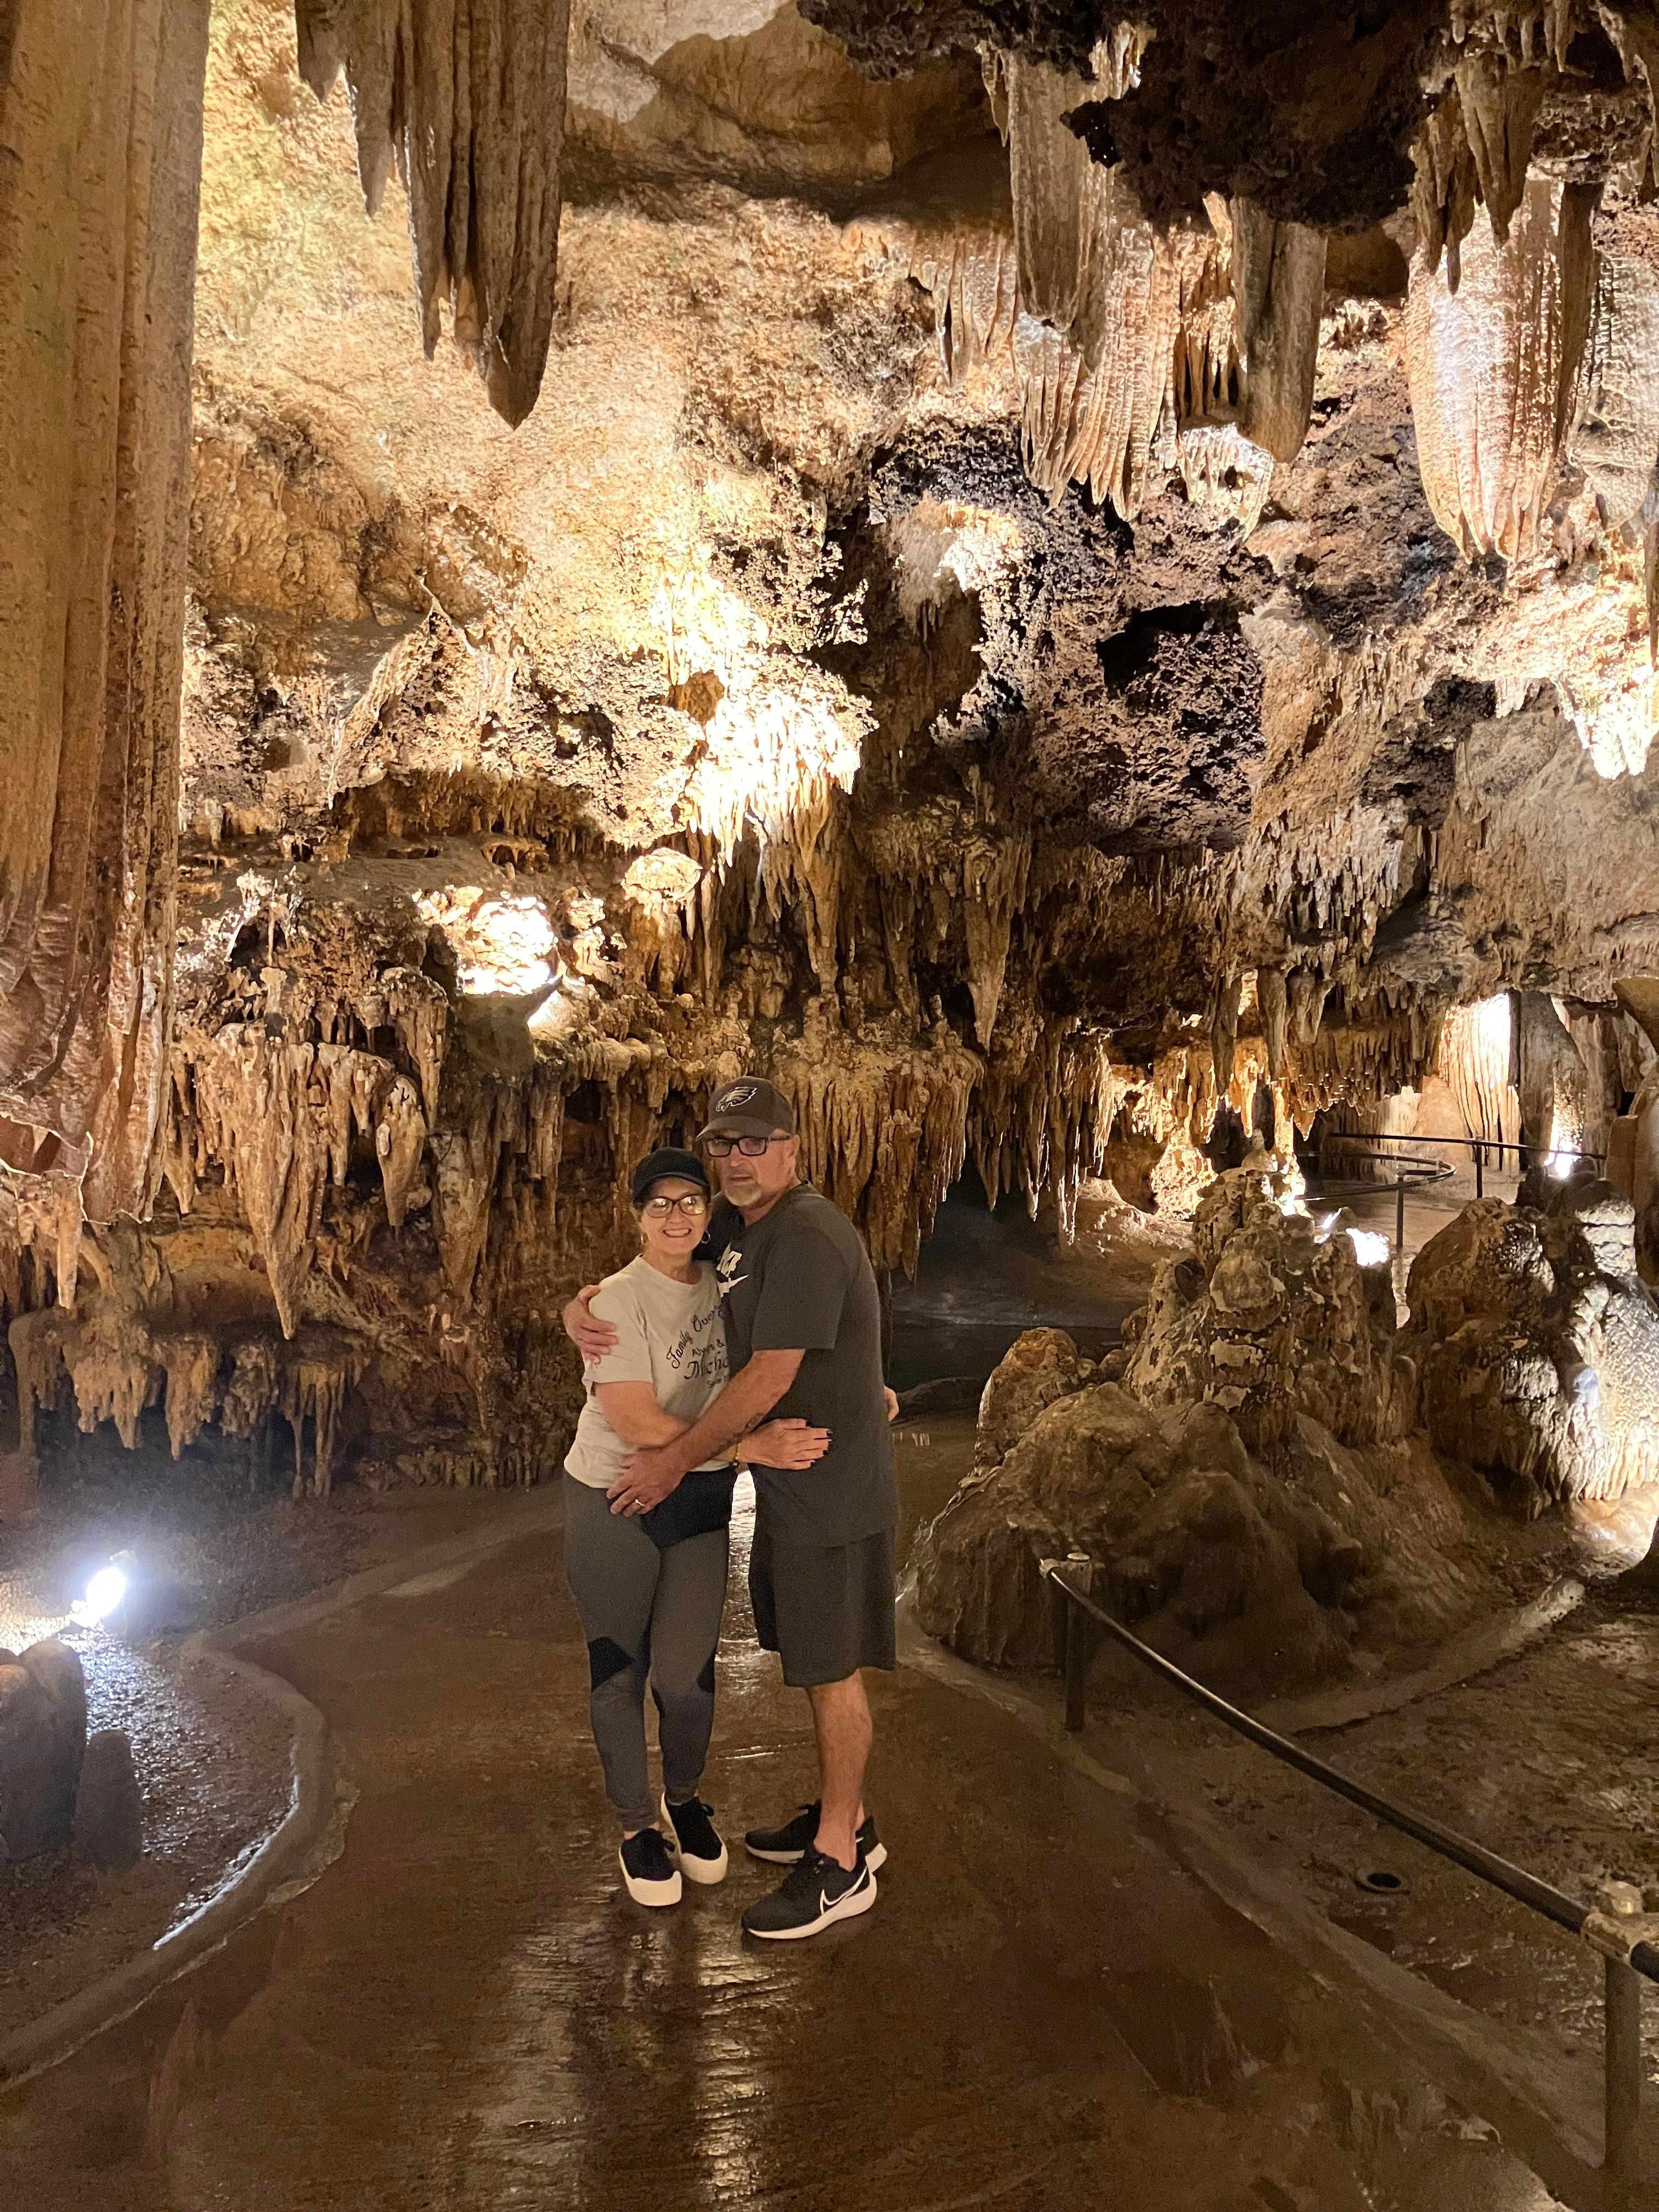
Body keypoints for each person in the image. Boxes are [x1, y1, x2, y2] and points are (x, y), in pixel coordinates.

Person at [566, 1080, 898, 1942]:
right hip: (782, 1486)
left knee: (831, 1670)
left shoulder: (807, 1231)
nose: (738, 1160)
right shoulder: (739, 1231)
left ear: (793, 1146)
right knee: (799, 1660)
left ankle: (840, 1860)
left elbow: (770, 1373)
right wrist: (579, 1309)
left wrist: (680, 1460)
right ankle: (843, 1818)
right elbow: (660, 1267)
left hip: (824, 1489)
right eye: (725, 1145)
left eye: (757, 1142)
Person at [562, 1146, 829, 1909]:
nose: (676, 1216)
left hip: (700, 1498)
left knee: (685, 1678)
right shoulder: (618, 1301)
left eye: (689, 1201)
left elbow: (790, 1343)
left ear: (707, 1213)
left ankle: (683, 1799)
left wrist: (861, 1387)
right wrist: (748, 1448)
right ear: (637, 1218)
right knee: (619, 1670)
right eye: (659, 1204)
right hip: (615, 1494)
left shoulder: (728, 1280)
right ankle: (636, 1826)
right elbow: (636, 1421)